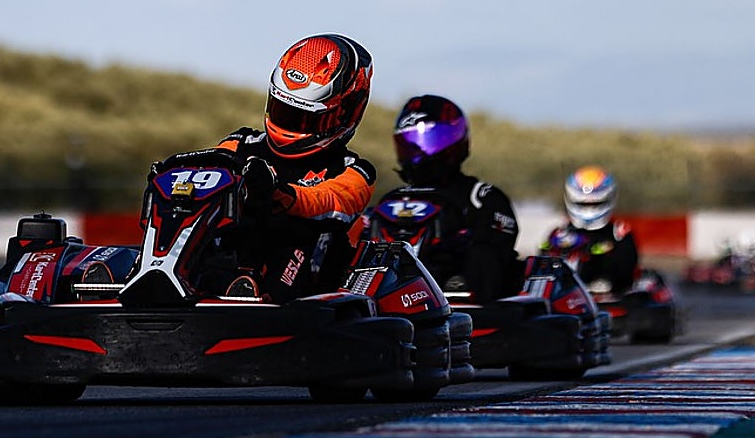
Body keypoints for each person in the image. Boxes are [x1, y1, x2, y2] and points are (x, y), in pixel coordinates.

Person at [211, 33, 377, 301]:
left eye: (305, 119)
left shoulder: (355, 171)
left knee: (296, 239)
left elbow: (332, 202)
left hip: (305, 290)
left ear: (345, 113)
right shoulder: (240, 144)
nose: (290, 125)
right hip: (228, 256)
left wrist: (279, 193)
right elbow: (210, 172)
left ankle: (257, 299)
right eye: (283, 111)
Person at [380, 94, 523, 304]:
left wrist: (453, 246)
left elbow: (489, 262)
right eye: (412, 142)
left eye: (431, 139)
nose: (421, 150)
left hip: (465, 307)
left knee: (484, 251)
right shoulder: (391, 201)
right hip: (397, 305)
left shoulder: (481, 198)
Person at [541, 165, 639, 294]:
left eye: (594, 204)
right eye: (583, 204)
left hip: (607, 296)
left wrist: (595, 254)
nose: (589, 210)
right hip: (563, 295)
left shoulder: (618, 234)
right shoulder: (560, 233)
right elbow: (541, 264)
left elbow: (626, 271)